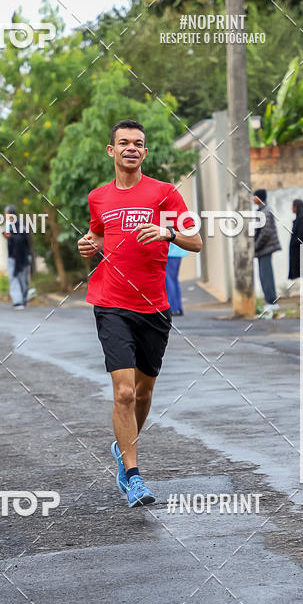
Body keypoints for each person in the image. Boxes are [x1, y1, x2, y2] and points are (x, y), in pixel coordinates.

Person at [78, 119, 202, 507]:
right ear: (111, 150)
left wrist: (167, 233)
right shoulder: (98, 197)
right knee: (125, 391)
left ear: (144, 152)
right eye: (124, 142)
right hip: (111, 301)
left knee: (145, 392)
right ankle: (133, 476)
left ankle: (122, 448)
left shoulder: (165, 194)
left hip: (154, 307)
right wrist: (89, 244)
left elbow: (195, 241)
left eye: (139, 143)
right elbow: (98, 232)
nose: (132, 148)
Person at [252, 189, 282, 319]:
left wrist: (256, 245)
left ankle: (272, 302)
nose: (253, 198)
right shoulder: (260, 211)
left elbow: (266, 232)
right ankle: (269, 301)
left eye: (254, 196)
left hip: (265, 248)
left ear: (260, 198)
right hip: (261, 249)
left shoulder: (266, 211)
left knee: (267, 276)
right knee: (263, 276)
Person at [3, 204, 31, 308]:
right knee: (13, 278)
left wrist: (11, 236)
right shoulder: (8, 225)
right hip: (12, 257)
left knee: (23, 281)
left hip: (23, 257)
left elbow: (22, 238)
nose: (5, 215)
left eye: (6, 213)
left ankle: (23, 300)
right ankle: (17, 301)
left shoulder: (21, 224)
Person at [288, 198, 303, 285]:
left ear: (296, 207)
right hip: (300, 249)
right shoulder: (300, 216)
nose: (292, 208)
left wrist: (294, 244)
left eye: (293, 206)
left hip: (302, 249)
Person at [165, 242, 188, 316]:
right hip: (176, 251)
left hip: (171, 252)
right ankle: (178, 307)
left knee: (169, 281)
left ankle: (172, 308)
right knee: (173, 280)